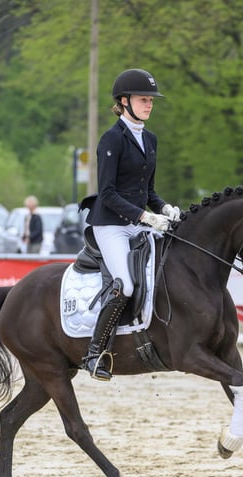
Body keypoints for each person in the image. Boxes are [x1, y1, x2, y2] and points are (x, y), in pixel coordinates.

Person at [79, 68, 181, 381]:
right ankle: (95, 353)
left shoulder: (150, 139)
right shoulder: (112, 139)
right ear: (124, 102)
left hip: (138, 223)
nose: (149, 105)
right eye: (143, 99)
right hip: (110, 224)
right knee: (125, 283)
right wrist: (145, 217)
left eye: (151, 100)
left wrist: (163, 207)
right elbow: (107, 193)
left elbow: (146, 190)